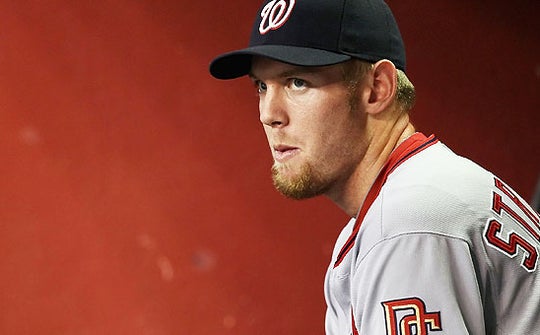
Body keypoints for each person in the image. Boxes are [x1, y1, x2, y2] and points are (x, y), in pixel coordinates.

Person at [209, 0, 540, 334]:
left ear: (377, 88)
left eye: (298, 82)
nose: (269, 114)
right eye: (261, 86)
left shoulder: (408, 222)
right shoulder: (420, 192)